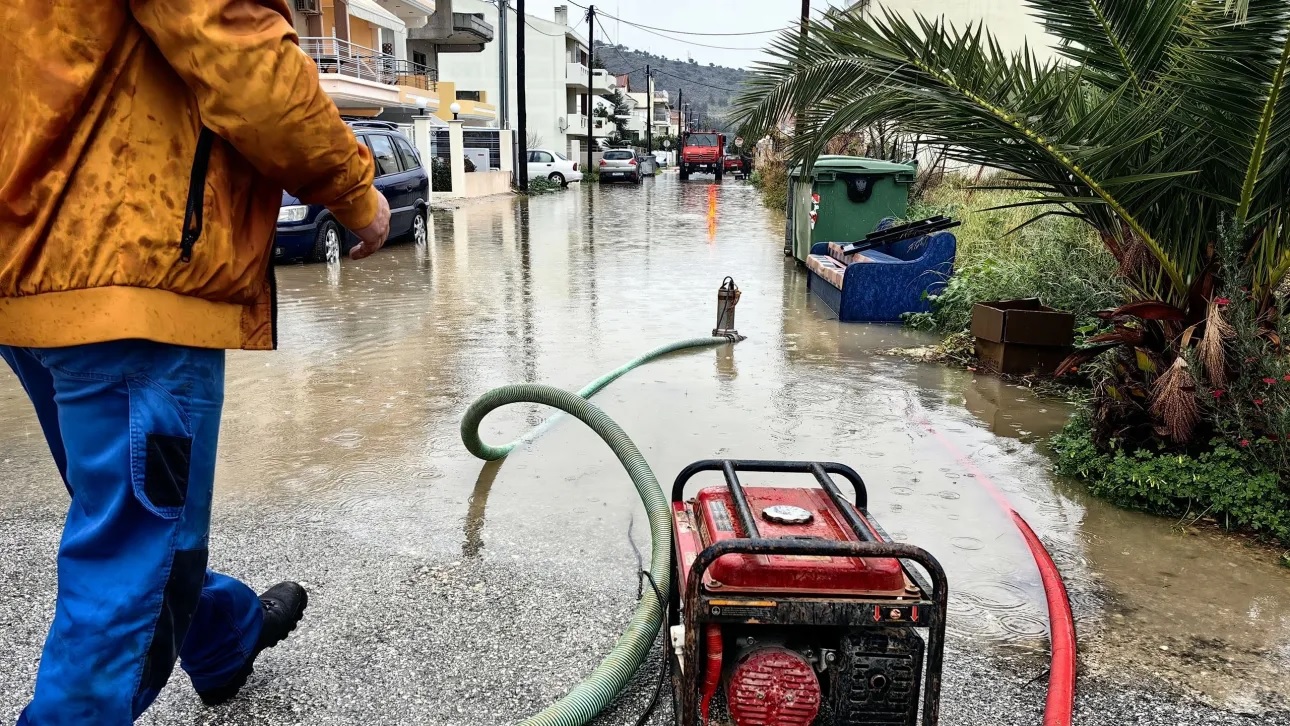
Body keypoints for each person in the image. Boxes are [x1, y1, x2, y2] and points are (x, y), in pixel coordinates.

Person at [0, 2, 392, 723]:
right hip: (129, 272)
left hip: (26, 273)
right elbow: (241, 52)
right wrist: (353, 190)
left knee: (129, 523)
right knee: (128, 560)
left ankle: (223, 636)